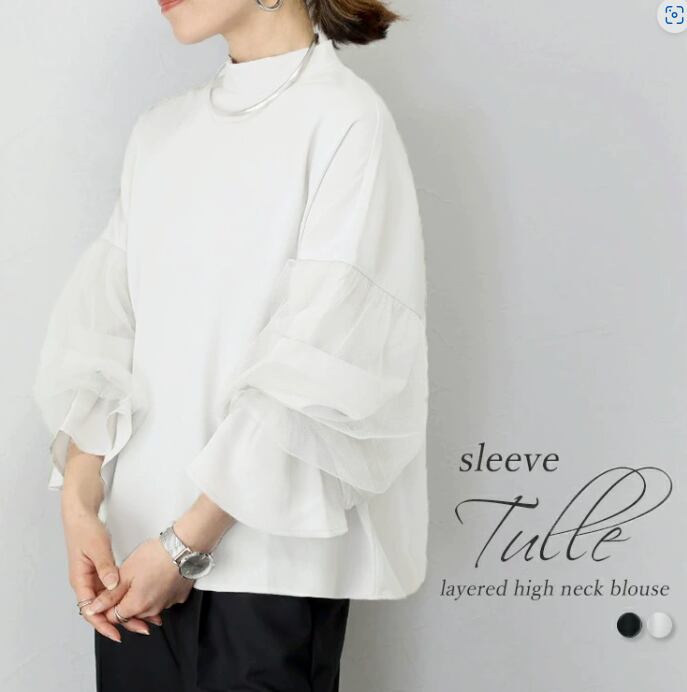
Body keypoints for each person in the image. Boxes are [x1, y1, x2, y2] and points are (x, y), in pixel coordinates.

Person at [32, 0, 429, 690]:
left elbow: (327, 364)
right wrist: (79, 505)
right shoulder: (159, 133)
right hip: (133, 567)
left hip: (267, 569)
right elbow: (105, 334)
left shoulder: (345, 120)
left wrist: (185, 545)